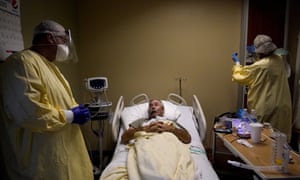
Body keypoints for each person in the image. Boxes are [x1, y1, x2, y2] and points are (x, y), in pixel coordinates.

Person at [0, 20, 93, 179]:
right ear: (50, 38)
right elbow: (29, 113)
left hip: (67, 155)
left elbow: (58, 101)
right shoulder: (21, 63)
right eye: (64, 40)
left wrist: (76, 109)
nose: (66, 46)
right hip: (43, 165)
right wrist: (70, 116)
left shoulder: (50, 66)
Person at [231, 34, 292, 142]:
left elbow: (239, 76)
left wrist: (237, 63)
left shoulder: (260, 66)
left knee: (263, 137)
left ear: (258, 51)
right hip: (282, 105)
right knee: (280, 141)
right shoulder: (279, 60)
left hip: (266, 106)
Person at [121, 99, 191, 144]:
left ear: (162, 110)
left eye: (156, 105)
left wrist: (171, 129)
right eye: (150, 105)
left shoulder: (170, 122)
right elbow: (124, 138)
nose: (153, 107)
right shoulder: (140, 121)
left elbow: (187, 138)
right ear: (148, 110)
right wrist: (144, 129)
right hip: (146, 146)